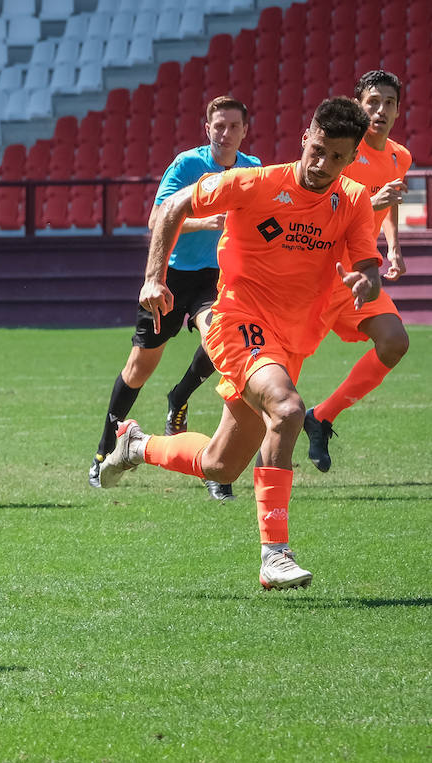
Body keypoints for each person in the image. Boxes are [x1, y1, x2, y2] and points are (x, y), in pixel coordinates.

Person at [98, 97, 381, 590]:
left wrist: (366, 284)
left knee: (220, 463)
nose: (322, 165)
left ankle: (135, 445)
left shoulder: (352, 199)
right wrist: (152, 277)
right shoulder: (258, 182)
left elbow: (366, 263)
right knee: (289, 410)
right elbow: (172, 206)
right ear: (304, 136)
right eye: (317, 150)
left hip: (290, 340)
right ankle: (275, 554)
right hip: (237, 320)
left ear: (352, 156)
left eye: (337, 157)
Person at [88, 96, 260, 501]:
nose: (225, 133)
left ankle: (217, 461)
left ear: (245, 131)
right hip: (172, 276)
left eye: (233, 126)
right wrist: (208, 222)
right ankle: (103, 450)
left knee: (224, 347)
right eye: (218, 125)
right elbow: (156, 219)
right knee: (140, 367)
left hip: (217, 277)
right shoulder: (187, 165)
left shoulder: (254, 169)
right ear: (207, 128)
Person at [301, 70, 412, 472]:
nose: (380, 110)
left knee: (394, 341)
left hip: (359, 275)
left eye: (389, 103)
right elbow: (323, 201)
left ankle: (322, 416)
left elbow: (390, 200)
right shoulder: (341, 148)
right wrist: (372, 198)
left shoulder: (400, 156)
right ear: (359, 104)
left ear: (399, 110)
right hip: (316, 272)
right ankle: (251, 459)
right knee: (278, 375)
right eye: (373, 102)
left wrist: (394, 246)